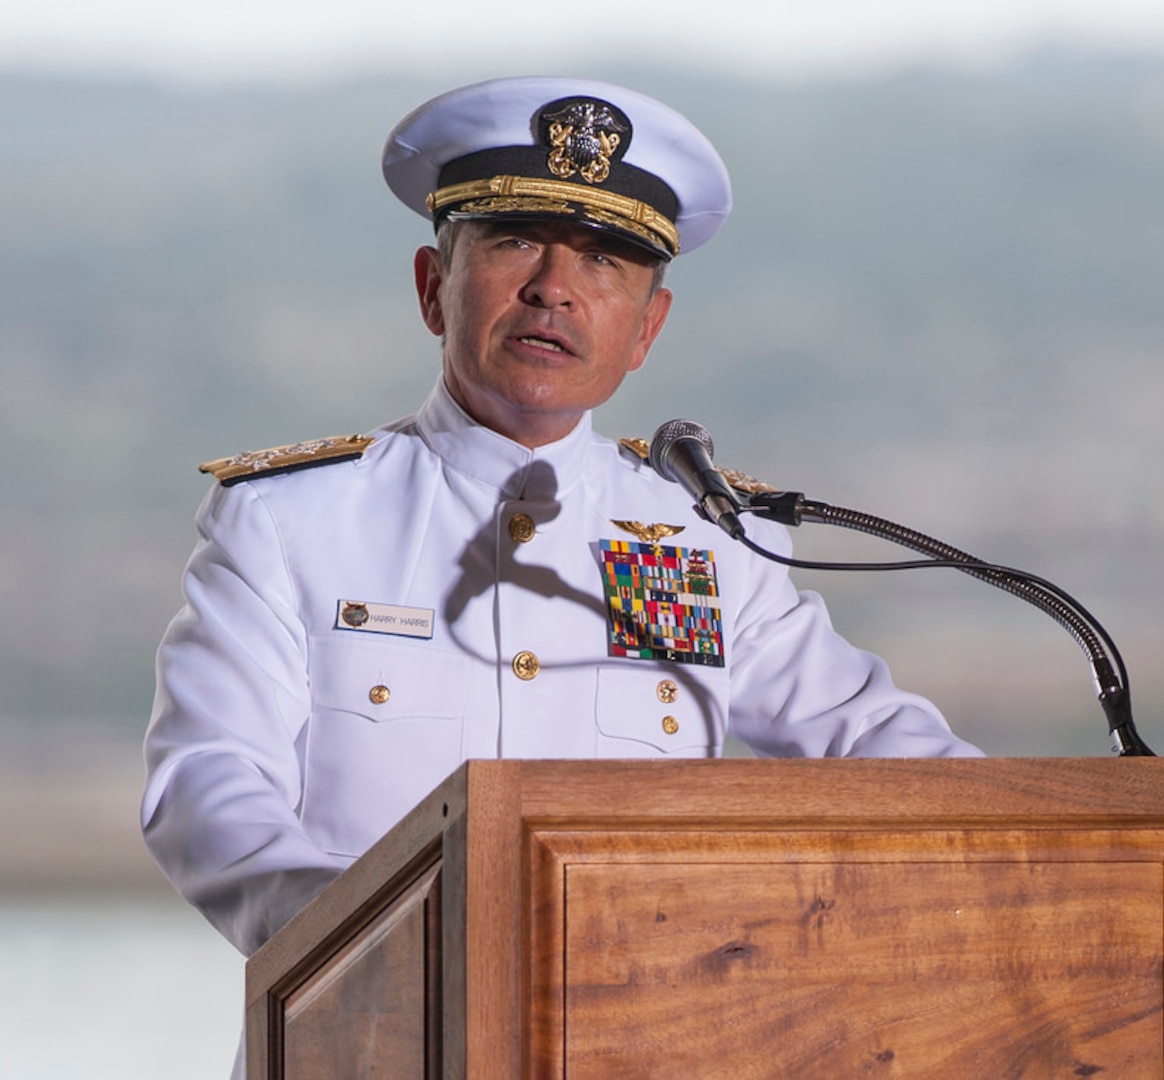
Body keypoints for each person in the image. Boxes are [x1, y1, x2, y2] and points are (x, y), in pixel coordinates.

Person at [142, 75, 980, 1077]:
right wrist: (373, 943)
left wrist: (1065, 856)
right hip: (366, 1042)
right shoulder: (292, 520)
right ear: (430, 287)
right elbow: (208, 787)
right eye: (511, 244)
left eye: (604, 260)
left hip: (645, 1042)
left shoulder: (699, 535)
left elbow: (877, 740)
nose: (554, 287)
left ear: (647, 328)